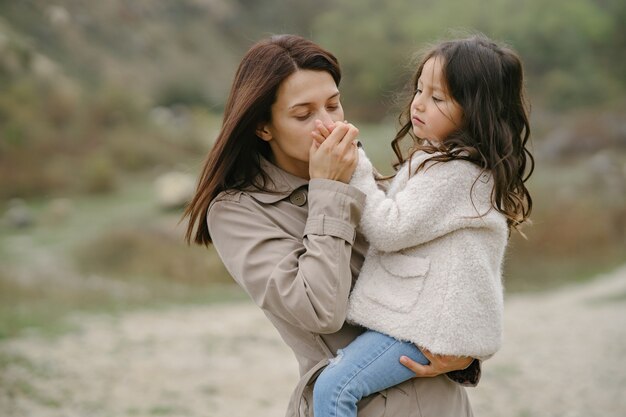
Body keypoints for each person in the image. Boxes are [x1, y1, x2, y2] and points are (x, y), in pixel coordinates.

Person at [183, 34, 481, 417]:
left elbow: (436, 271)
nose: (327, 124)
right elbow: (319, 310)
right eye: (303, 114)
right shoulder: (237, 212)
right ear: (263, 127)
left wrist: (464, 354)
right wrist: (328, 191)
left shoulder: (358, 171)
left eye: (333, 105)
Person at [310, 34, 534, 417]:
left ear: (475, 111)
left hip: (424, 328)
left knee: (333, 389)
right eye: (419, 89)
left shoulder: (457, 173)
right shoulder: (453, 165)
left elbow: (388, 228)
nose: (418, 103)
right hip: (427, 325)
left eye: (438, 98)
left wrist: (356, 165)